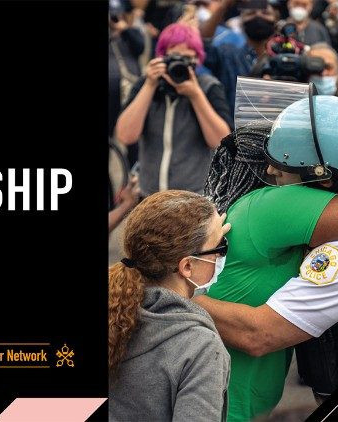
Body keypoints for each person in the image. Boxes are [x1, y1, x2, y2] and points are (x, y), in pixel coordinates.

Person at [197, 95, 338, 405]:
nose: (270, 170)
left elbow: (259, 334)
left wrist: (174, 295)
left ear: (322, 179)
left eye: (284, 166)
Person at [108, 189, 231, 421]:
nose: (223, 255)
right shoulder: (200, 348)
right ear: (187, 266)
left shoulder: (117, 306)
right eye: (221, 247)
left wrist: (209, 236)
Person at [115, 23, 231, 195]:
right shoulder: (147, 85)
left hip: (193, 197)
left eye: (187, 59)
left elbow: (221, 143)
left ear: (198, 61)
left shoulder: (208, 87)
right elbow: (125, 136)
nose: (180, 64)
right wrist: (149, 85)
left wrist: (196, 95)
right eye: (174, 58)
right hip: (151, 195)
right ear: (161, 58)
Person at [201, 0, 281, 112]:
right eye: (251, 13)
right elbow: (203, 43)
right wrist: (223, 6)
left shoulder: (285, 60)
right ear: (241, 21)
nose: (258, 17)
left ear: (276, 20)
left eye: (265, 13)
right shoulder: (227, 54)